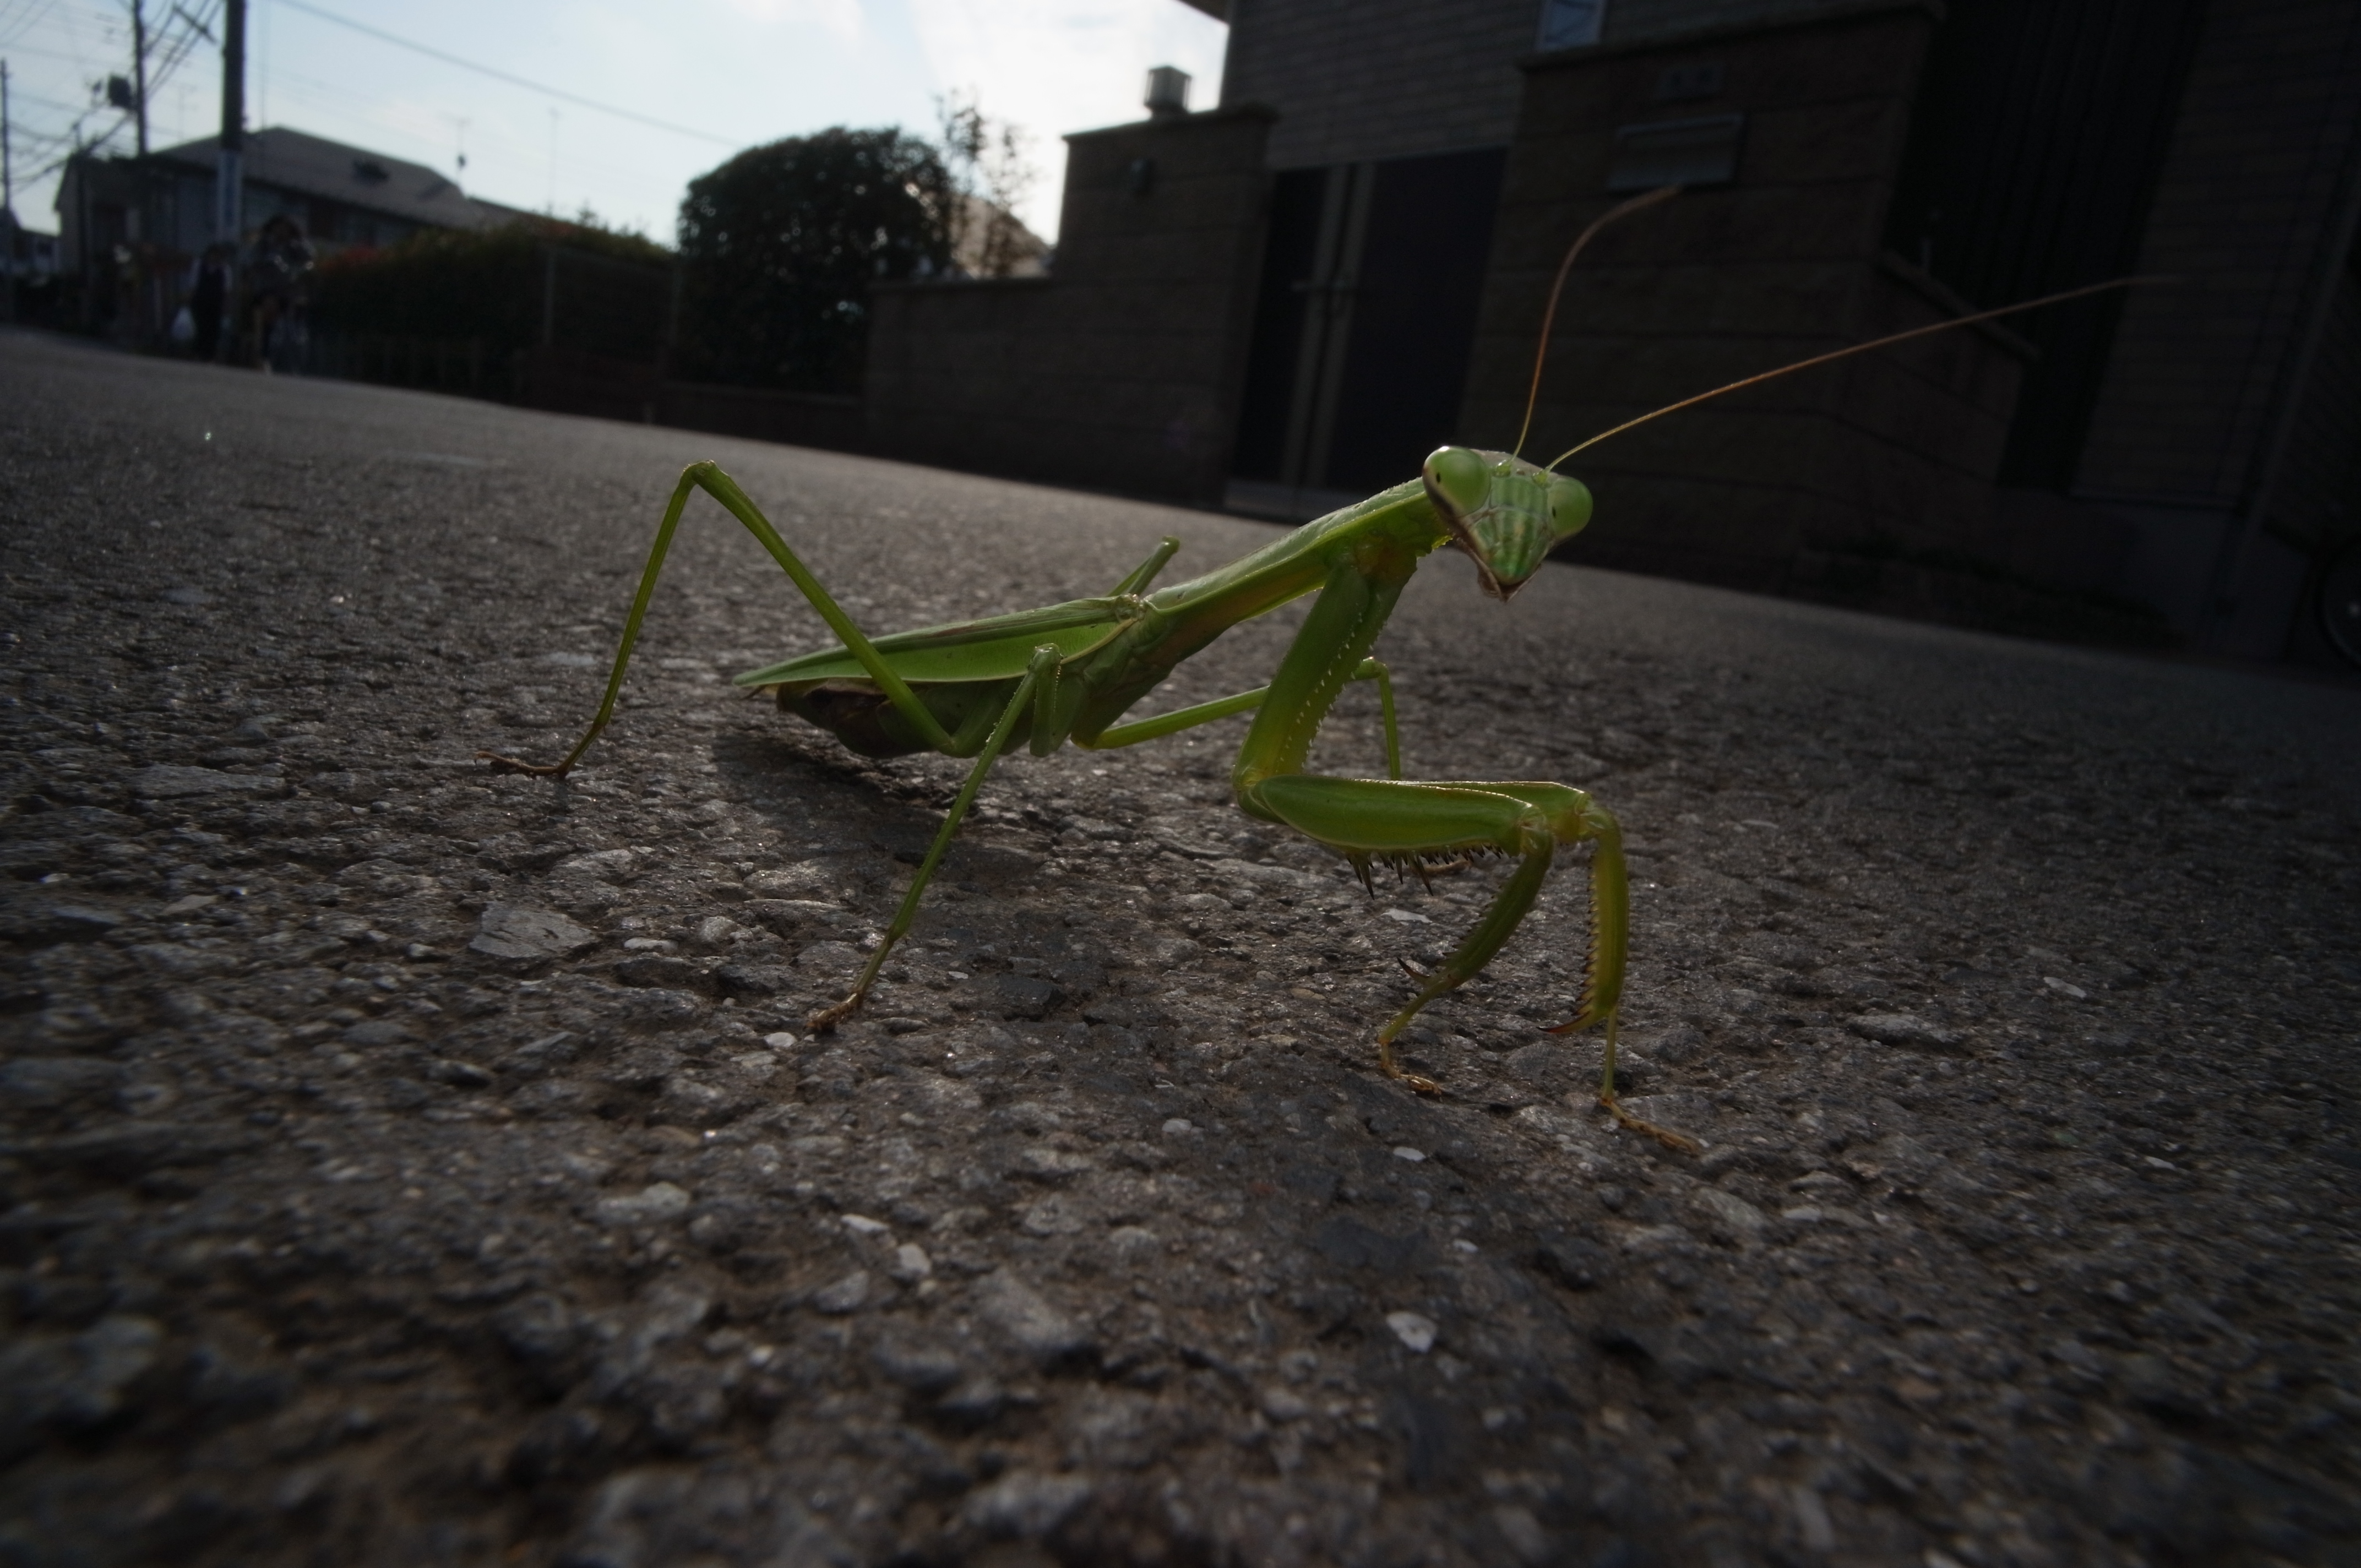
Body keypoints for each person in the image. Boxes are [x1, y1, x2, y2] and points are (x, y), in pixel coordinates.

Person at [248, 214, 314, 373]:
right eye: (278, 227)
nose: (281, 230)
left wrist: (295, 268)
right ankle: (263, 358)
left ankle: (286, 361)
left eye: (285, 227)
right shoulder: (264, 244)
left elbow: (310, 261)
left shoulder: (295, 246)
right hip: (266, 290)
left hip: (288, 293)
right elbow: (253, 262)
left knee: (289, 328)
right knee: (266, 325)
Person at [188, 244, 231, 362]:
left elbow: (226, 290)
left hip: (216, 303)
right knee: (200, 327)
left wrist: (226, 306)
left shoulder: (225, 269)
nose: (215, 257)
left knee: (214, 329)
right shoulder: (198, 265)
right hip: (200, 301)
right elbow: (193, 284)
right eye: (213, 254)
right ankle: (197, 353)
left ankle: (209, 355)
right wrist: (190, 301)